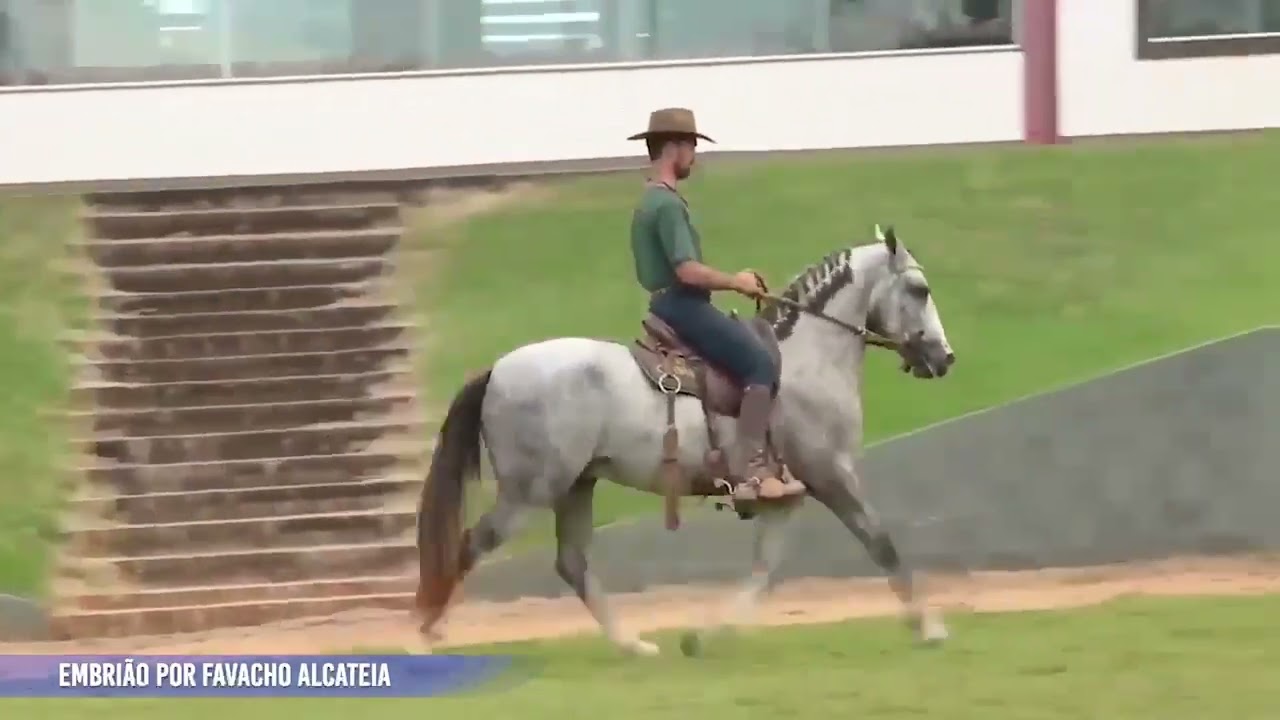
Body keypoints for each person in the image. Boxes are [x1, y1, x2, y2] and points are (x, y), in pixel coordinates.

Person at [627, 107, 805, 501]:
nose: (694, 155)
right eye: (691, 146)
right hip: (682, 306)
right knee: (759, 363)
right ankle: (753, 472)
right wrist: (736, 282)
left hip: (666, 304)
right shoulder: (668, 204)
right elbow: (687, 270)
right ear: (674, 147)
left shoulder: (648, 200)